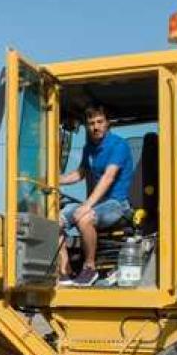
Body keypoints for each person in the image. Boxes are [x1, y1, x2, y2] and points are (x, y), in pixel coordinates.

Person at [57, 104, 135, 286]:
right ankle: (65, 271)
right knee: (53, 222)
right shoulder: (88, 148)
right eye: (91, 123)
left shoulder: (119, 145)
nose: (95, 126)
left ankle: (89, 268)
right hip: (96, 204)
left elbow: (108, 177)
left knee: (84, 218)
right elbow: (79, 173)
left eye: (100, 122)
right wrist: (54, 179)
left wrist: (86, 205)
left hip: (117, 204)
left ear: (107, 124)